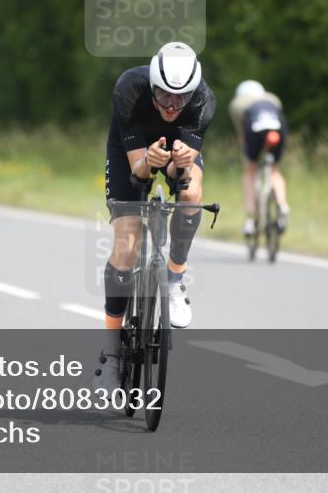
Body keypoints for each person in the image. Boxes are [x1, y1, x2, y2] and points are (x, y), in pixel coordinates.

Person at [93, 42, 216, 393]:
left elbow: (183, 178)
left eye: (181, 98)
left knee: (191, 194)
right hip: (131, 149)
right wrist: (149, 159)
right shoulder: (129, 90)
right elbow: (137, 172)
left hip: (177, 149)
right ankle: (111, 355)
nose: (172, 106)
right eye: (164, 95)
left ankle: (176, 279)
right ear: (151, 84)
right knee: (127, 241)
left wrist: (180, 164)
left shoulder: (204, 102)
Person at [228, 79, 289, 237]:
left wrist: (247, 153)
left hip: (254, 130)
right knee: (275, 171)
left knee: (250, 171)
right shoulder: (272, 99)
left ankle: (250, 219)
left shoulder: (238, 104)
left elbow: (242, 134)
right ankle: (282, 204)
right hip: (277, 131)